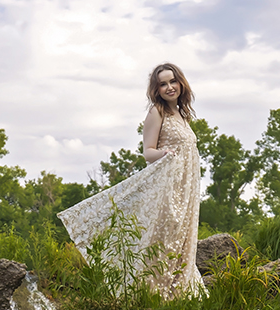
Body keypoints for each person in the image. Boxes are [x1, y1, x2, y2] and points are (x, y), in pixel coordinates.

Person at [57, 63, 204, 297]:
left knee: (182, 242)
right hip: (167, 192)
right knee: (163, 243)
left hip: (186, 194)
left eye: (172, 81)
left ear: (181, 83)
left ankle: (178, 296)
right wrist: (164, 154)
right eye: (163, 84)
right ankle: (150, 295)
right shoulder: (157, 112)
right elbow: (148, 152)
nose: (169, 87)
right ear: (156, 89)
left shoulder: (182, 115)